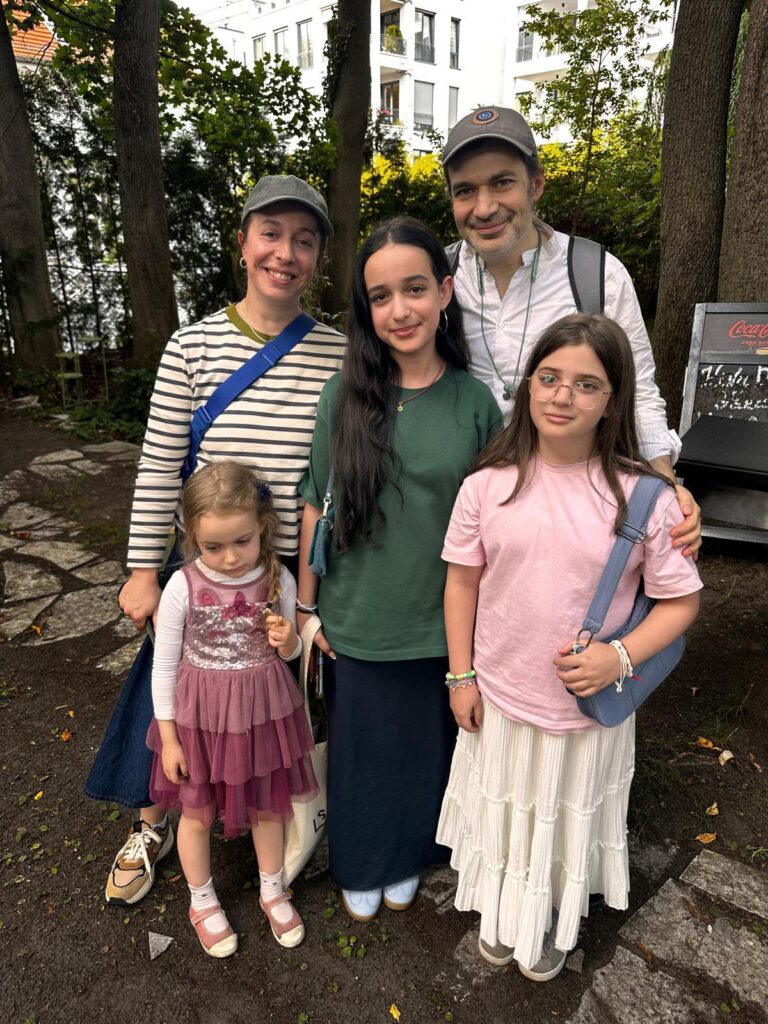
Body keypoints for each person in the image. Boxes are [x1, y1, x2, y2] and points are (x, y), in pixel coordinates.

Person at [85, 174, 345, 907]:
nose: (284, 253)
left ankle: (278, 814)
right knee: (170, 688)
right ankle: (153, 819)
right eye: (271, 234)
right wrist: (143, 566)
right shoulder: (191, 345)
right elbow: (162, 460)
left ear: (319, 256)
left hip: (285, 564)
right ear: (243, 243)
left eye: (303, 240)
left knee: (271, 697)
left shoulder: (337, 354)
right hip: (202, 560)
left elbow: (339, 468)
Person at [437, 313, 702, 981]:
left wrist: (621, 656)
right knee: (506, 809)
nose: (563, 396)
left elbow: (681, 600)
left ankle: (550, 919)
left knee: (559, 818)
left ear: (613, 399)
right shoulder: (487, 484)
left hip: (586, 708)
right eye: (549, 378)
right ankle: (501, 911)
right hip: (500, 693)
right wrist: (460, 676)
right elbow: (462, 583)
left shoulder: (645, 498)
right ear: (528, 387)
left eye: (587, 384)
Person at [296, 217, 502, 923]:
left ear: (445, 291)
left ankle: (412, 852)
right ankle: (361, 858)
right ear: (367, 310)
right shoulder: (343, 396)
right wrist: (305, 607)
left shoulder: (476, 403)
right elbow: (311, 505)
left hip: (442, 617)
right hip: (357, 617)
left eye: (415, 288)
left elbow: (497, 525)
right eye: (380, 297)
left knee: (426, 753)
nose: (400, 309)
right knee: (361, 754)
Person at [442, 106, 702, 557]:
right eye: (466, 190)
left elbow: (636, 391)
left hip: (577, 511)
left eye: (502, 182)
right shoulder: (438, 279)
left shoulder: (596, 275)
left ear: (536, 184)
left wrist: (663, 483)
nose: (484, 208)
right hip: (464, 506)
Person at [145, 462, 315, 956]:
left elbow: (290, 652)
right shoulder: (183, 586)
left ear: (262, 526)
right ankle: (201, 900)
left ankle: (272, 886)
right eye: (212, 547)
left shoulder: (278, 577)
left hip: (261, 713)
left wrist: (287, 643)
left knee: (267, 805)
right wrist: (170, 736)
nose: (229, 557)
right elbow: (164, 666)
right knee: (196, 812)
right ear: (192, 538)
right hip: (200, 718)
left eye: (242, 541)